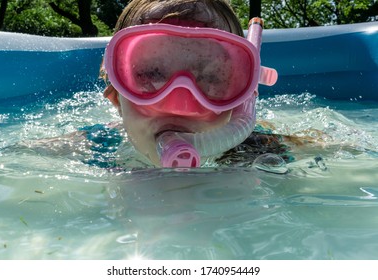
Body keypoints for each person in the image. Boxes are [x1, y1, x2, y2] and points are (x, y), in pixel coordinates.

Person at [100, 0, 279, 168]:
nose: (180, 105)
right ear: (116, 98)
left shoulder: (262, 152)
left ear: (238, 102)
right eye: (152, 74)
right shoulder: (96, 145)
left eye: (211, 78)